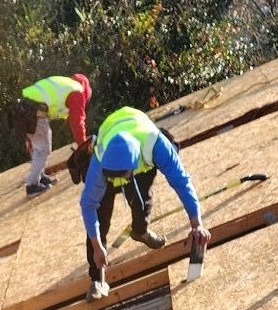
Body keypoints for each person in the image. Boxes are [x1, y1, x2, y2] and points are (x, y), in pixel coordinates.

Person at [80, 105, 210, 296]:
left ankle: (140, 231)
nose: (118, 182)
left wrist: (196, 224)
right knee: (102, 215)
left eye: (122, 176)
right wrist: (97, 246)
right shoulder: (101, 159)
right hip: (113, 142)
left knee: (142, 200)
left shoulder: (156, 146)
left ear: (133, 165)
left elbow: (181, 181)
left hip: (142, 154)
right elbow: (88, 204)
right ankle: (97, 278)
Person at [19, 74, 92, 195]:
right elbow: (77, 122)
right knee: (43, 149)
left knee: (40, 146)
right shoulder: (77, 91)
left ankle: (40, 177)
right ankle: (32, 185)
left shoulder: (67, 86)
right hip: (33, 112)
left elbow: (70, 118)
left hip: (24, 109)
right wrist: (84, 148)